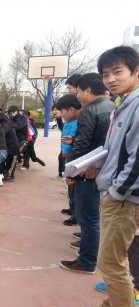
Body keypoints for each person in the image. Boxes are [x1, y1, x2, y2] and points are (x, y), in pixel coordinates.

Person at [81, 46, 139, 307]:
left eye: (118, 72)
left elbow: (137, 159)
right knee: (116, 261)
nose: (111, 79)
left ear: (136, 71)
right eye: (106, 74)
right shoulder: (123, 104)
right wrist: (98, 165)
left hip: (124, 199)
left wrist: (117, 192)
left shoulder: (136, 105)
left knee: (111, 264)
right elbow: (117, 150)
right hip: (117, 194)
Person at [59, 73, 115, 275]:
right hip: (103, 168)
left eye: (79, 92)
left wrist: (71, 173)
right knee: (94, 217)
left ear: (88, 90)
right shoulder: (113, 107)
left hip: (88, 171)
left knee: (88, 218)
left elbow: (82, 145)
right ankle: (89, 256)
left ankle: (86, 261)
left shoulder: (90, 111)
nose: (78, 96)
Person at [55, 94, 82, 224]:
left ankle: (76, 215)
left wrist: (66, 151)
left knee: (73, 184)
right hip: (69, 155)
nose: (60, 114)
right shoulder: (68, 122)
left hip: (74, 156)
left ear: (71, 110)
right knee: (71, 184)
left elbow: (70, 139)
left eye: (62, 111)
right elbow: (65, 136)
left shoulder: (77, 122)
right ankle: (72, 208)